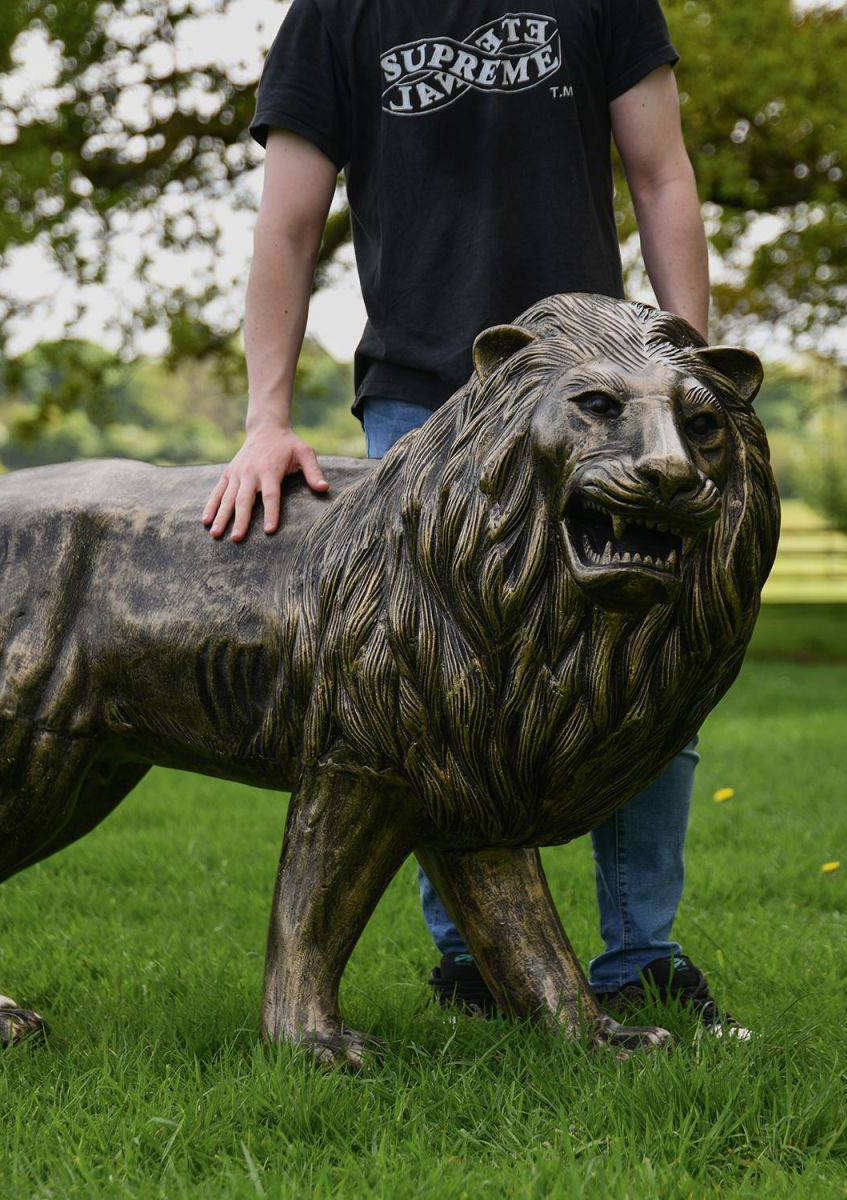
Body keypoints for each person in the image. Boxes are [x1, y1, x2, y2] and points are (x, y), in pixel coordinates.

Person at [203, 0, 747, 1036]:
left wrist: (678, 373)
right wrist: (265, 418)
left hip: (599, 393)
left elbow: (663, 173)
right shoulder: (334, 15)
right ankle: (475, 971)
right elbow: (287, 222)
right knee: (434, 685)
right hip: (426, 398)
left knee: (643, 661)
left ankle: (638, 959)